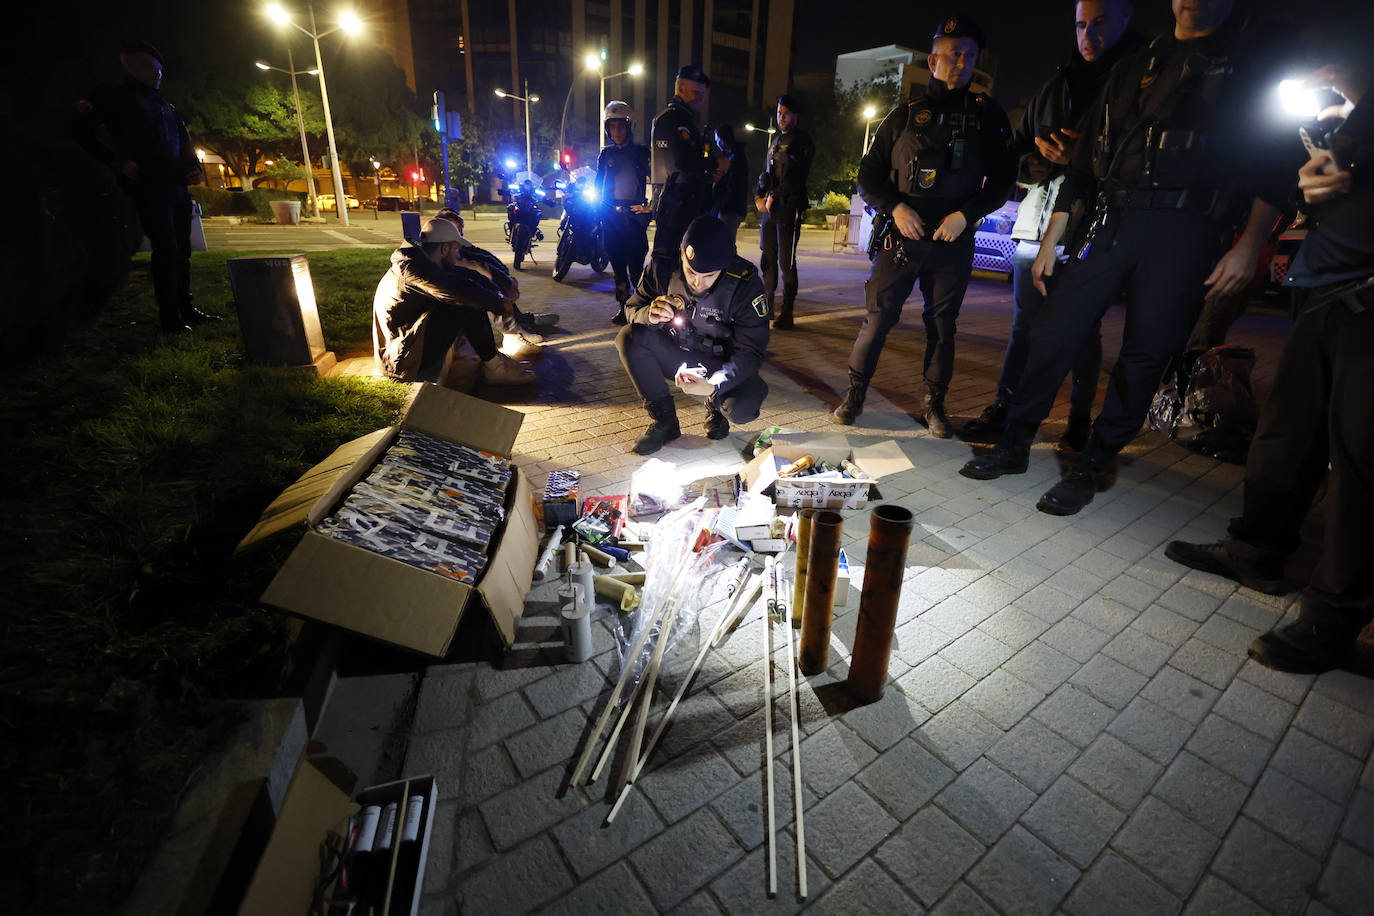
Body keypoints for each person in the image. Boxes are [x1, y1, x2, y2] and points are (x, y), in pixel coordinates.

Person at [960, 0, 1297, 516]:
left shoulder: (1251, 61)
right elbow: (1084, 165)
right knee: (1055, 330)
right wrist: (1053, 239)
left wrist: (1250, 245)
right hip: (1113, 219)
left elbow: (1275, 163)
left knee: (1146, 353)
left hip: (1189, 229)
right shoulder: (1140, 65)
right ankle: (1016, 443)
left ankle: (1093, 463)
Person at [1166, 65, 1372, 674]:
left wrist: (1359, 99)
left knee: (1360, 460)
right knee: (1286, 433)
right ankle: (1256, 548)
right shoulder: (1352, 121)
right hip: (1325, 282)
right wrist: (1334, 150)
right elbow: (1320, 184)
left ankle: (1333, 619)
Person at [965, 0, 1141, 448]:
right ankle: (1005, 408)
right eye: (1081, 24)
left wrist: (1083, 156)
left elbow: (1141, 162)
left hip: (1095, 232)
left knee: (1083, 330)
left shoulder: (1141, 81)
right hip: (1035, 226)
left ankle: (1079, 420)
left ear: (1126, 18)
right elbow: (1017, 155)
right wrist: (1032, 164)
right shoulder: (1055, 86)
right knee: (1024, 326)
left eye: (1100, 23)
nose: (1088, 35)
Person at [831, 15, 1016, 436]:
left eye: (969, 55)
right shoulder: (903, 115)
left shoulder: (988, 116)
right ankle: (854, 396)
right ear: (932, 61)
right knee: (877, 320)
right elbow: (869, 175)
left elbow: (1004, 179)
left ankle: (934, 407)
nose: (961, 61)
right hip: (903, 235)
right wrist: (895, 208)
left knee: (942, 327)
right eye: (952, 54)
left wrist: (966, 215)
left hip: (952, 238)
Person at [74, 39, 215, 334]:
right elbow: (80, 129)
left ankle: (186, 307)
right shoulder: (115, 98)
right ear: (130, 65)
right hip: (148, 184)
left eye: (159, 69)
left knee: (182, 249)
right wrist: (117, 161)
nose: (157, 75)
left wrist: (194, 168)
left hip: (175, 185)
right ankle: (171, 317)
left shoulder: (164, 103)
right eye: (150, 68)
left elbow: (183, 139)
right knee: (166, 247)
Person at [615, 215, 771, 455]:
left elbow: (751, 352)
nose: (698, 283)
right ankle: (664, 422)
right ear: (681, 252)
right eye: (691, 272)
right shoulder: (662, 267)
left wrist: (713, 386)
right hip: (678, 353)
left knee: (742, 409)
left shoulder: (744, 283)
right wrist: (649, 313)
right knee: (629, 337)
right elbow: (631, 308)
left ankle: (716, 407)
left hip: (722, 363)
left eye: (709, 276)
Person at [373, 217, 532, 385]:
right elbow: (459, 291)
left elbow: (466, 277)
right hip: (401, 358)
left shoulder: (420, 262)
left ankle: (493, 360)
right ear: (444, 248)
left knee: (467, 289)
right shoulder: (413, 271)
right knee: (463, 302)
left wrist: (500, 297)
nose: (458, 256)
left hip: (406, 345)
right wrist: (500, 305)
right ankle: (494, 368)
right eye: (457, 250)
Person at [434, 207, 557, 358]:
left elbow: (482, 255)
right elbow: (470, 265)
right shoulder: (441, 248)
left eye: (461, 231)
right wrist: (504, 281)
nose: (460, 235)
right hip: (444, 299)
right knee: (488, 285)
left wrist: (504, 273)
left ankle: (518, 324)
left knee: (493, 282)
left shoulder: (452, 242)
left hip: (452, 290)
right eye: (456, 231)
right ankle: (511, 335)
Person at [755, 95, 815, 329]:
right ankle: (766, 309)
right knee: (767, 259)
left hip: (789, 206)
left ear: (796, 115)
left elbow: (797, 178)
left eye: (786, 113)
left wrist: (774, 196)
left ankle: (787, 312)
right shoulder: (775, 141)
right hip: (769, 210)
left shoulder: (802, 141)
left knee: (785, 261)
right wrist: (758, 196)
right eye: (779, 113)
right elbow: (764, 174)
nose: (781, 117)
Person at [649, 65, 714, 270]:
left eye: (702, 95)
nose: (700, 100)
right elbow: (681, 163)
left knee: (683, 267)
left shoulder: (684, 120)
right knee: (667, 267)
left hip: (683, 206)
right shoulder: (671, 120)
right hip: (674, 207)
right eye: (696, 93)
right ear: (681, 89)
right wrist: (712, 164)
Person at [597, 101, 653, 324]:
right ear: (607, 128)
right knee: (618, 266)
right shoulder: (605, 155)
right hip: (610, 216)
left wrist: (651, 206)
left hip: (634, 216)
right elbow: (597, 183)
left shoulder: (642, 153)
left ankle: (640, 307)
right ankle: (624, 306)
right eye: (613, 127)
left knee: (636, 267)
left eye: (621, 126)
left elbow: (658, 180)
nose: (617, 131)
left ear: (629, 127)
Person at [710, 123, 750, 240]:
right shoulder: (732, 155)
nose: (717, 143)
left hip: (730, 208)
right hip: (728, 207)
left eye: (717, 139)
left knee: (726, 241)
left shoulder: (736, 158)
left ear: (723, 139)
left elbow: (734, 185)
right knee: (724, 241)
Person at [507, 180, 543, 270]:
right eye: (526, 184)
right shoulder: (519, 188)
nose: (527, 186)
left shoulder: (534, 191)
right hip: (520, 209)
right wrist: (506, 190)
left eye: (529, 185)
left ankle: (533, 231)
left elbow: (542, 195)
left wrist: (544, 196)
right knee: (510, 208)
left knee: (537, 212)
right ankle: (511, 230)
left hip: (529, 210)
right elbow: (510, 191)